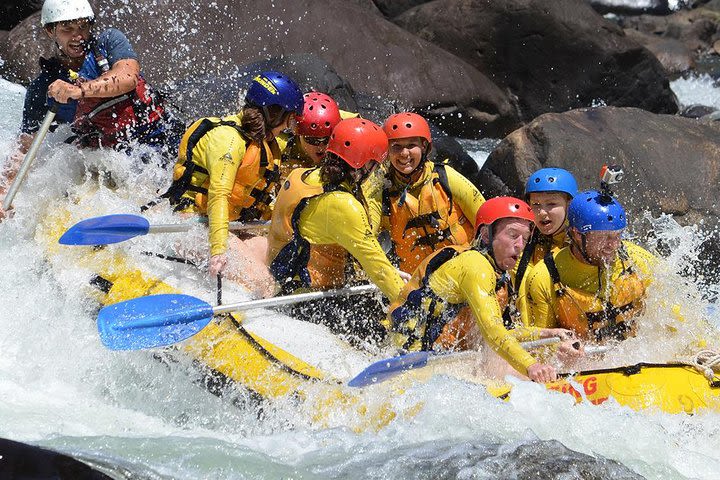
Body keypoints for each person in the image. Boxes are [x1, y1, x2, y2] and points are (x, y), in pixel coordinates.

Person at [1, 0, 180, 218]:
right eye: (67, 28)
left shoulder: (108, 43)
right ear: (50, 31)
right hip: (111, 161)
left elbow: (128, 76)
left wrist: (78, 91)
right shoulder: (43, 89)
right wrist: (4, 194)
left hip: (159, 145)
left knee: (172, 203)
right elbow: (24, 148)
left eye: (83, 27)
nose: (78, 36)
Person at [386, 197, 566, 383]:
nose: (520, 245)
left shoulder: (499, 276)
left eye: (525, 238)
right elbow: (493, 332)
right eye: (513, 235)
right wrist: (532, 366)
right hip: (414, 362)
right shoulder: (475, 265)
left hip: (444, 359)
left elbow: (501, 334)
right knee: (518, 374)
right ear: (486, 235)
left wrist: (545, 334)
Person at [266, 117, 406, 342]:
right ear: (364, 164)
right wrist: (411, 307)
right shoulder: (343, 205)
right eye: (374, 165)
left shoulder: (299, 175)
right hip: (313, 304)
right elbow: (379, 270)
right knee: (391, 328)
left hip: (285, 289)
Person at [158, 71, 303, 286]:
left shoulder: (262, 142)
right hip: (193, 226)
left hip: (227, 226)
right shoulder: (228, 141)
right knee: (263, 282)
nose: (287, 129)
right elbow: (218, 196)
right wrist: (218, 251)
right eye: (288, 121)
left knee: (279, 265)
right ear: (274, 114)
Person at [523, 190, 656, 343]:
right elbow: (540, 345)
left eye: (617, 235)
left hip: (634, 351)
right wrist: (559, 350)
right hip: (583, 360)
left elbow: (675, 314)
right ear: (577, 234)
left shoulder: (636, 259)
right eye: (603, 237)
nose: (613, 245)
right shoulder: (544, 276)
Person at [367, 112, 485, 275]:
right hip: (415, 284)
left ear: (424, 147)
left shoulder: (445, 177)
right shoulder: (381, 191)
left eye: (410, 145)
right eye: (397, 147)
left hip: (462, 274)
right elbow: (368, 239)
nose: (404, 153)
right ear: (387, 151)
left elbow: (487, 221)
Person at [514, 168, 578, 319]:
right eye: (536, 204)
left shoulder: (579, 241)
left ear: (569, 204)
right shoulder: (525, 236)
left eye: (551, 204)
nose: (542, 212)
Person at [280, 92, 343, 170]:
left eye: (327, 139)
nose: (320, 146)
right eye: (313, 140)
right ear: (298, 134)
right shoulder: (282, 147)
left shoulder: (346, 128)